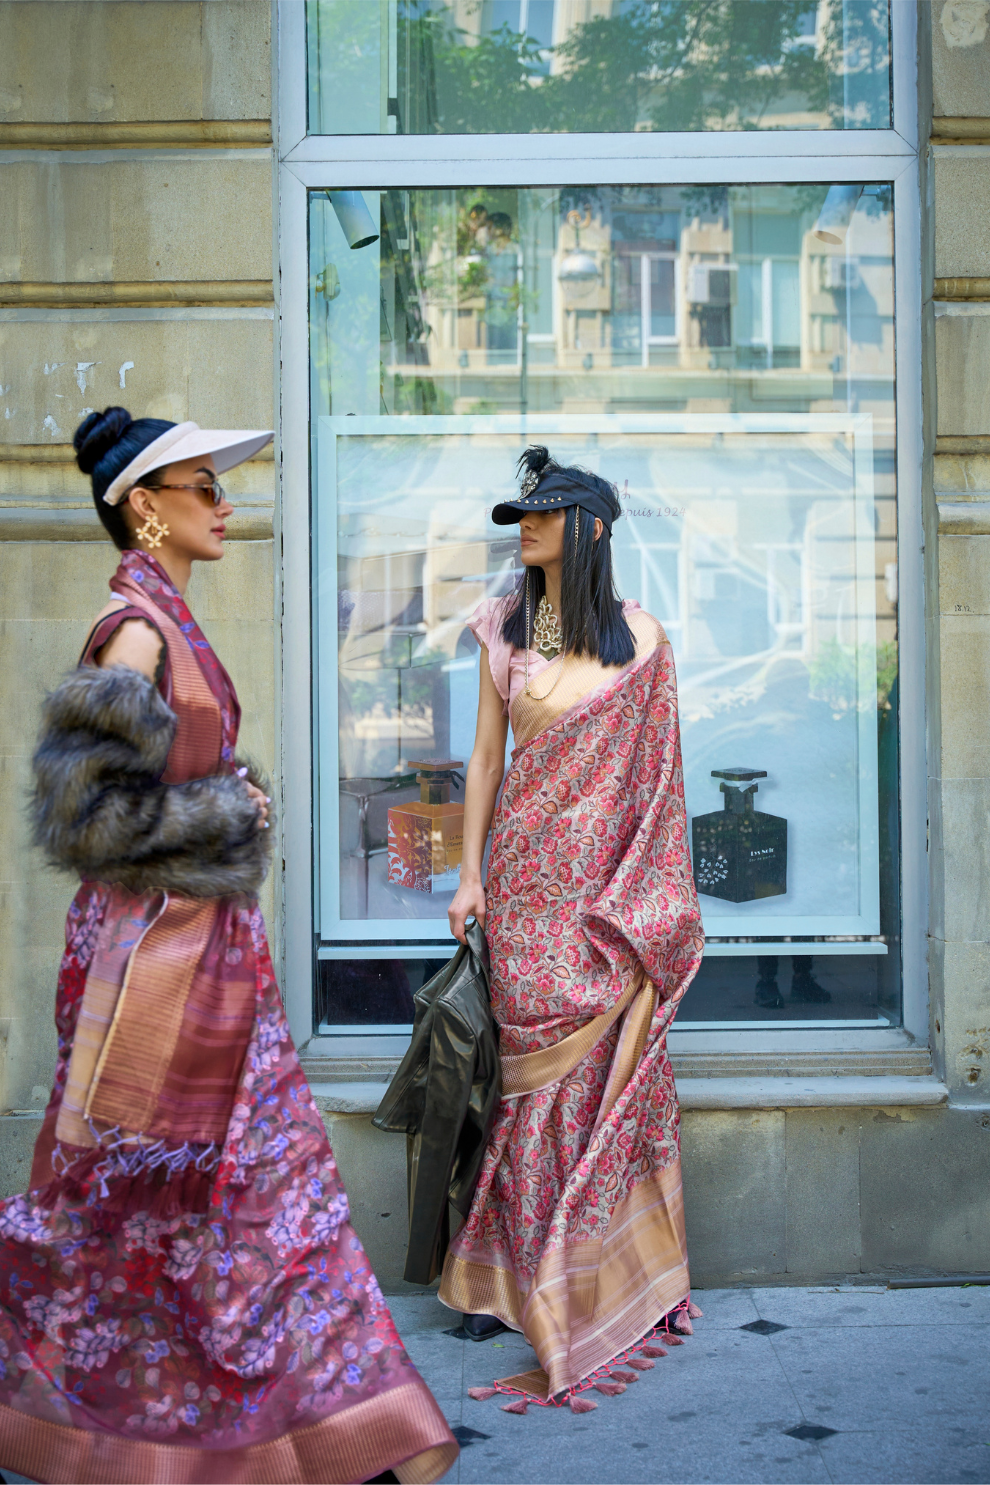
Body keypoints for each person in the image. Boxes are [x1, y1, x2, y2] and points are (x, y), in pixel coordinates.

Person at [0, 408, 457, 1484]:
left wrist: (222, 792)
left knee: (256, 1189)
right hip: (151, 963)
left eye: (219, 486)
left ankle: (338, 1430)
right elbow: (86, 821)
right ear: (144, 508)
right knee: (140, 1200)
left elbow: (155, 788)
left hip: (203, 953)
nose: (226, 504)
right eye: (204, 488)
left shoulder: (167, 618)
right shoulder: (137, 632)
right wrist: (226, 815)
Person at [440, 446, 704, 1405]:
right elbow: (480, 761)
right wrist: (468, 875)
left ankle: (615, 1275)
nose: (525, 528)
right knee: (528, 1079)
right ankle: (507, 1278)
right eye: (521, 516)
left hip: (607, 900)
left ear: (587, 526)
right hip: (521, 887)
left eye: (543, 514)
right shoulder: (502, 627)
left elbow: (660, 785)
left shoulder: (643, 639)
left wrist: (639, 903)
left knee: (604, 1076)